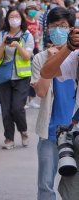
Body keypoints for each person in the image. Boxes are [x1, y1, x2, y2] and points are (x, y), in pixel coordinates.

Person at [31, 8, 76, 200]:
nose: (58, 30)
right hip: (50, 132)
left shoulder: (77, 57)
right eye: (54, 26)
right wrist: (51, 59)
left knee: (74, 187)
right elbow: (41, 92)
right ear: (47, 29)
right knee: (46, 186)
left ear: (71, 30)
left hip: (75, 131)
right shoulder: (40, 58)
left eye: (63, 26)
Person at [0, 7, 34, 150]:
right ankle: (9, 138)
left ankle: (23, 131)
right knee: (6, 109)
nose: (14, 19)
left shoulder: (27, 35)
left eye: (17, 16)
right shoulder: (2, 35)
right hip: (4, 77)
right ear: (7, 19)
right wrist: (4, 44)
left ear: (22, 19)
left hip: (21, 77)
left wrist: (17, 44)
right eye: (11, 16)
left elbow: (27, 56)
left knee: (17, 107)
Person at [25, 1, 41, 109]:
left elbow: (38, 33)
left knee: (34, 74)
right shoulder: (24, 22)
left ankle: (31, 99)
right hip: (26, 50)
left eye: (34, 9)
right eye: (31, 9)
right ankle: (24, 100)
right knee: (26, 75)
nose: (33, 11)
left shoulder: (37, 22)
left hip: (35, 48)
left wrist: (38, 39)